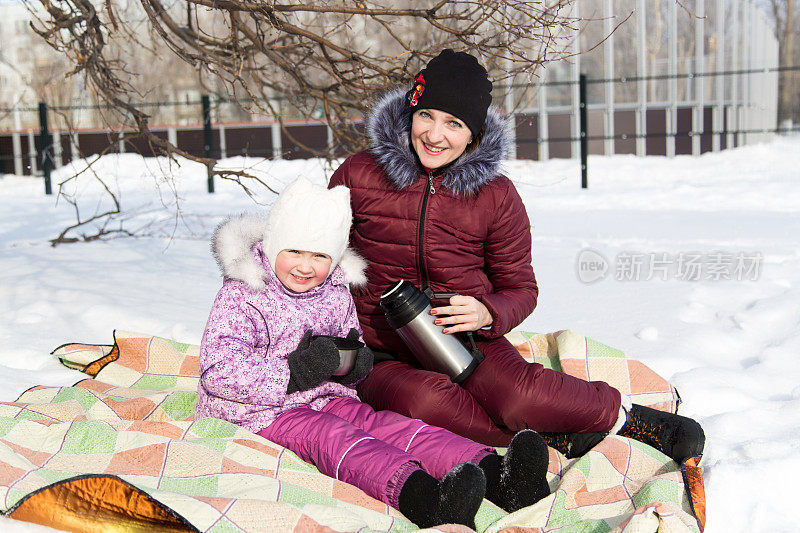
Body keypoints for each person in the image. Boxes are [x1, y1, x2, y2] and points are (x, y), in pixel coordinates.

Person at [328, 49, 705, 464]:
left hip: (468, 340)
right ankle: (552, 435)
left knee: (518, 395)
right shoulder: (358, 174)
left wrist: (487, 312)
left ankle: (625, 416)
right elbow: (318, 255)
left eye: (454, 123)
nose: (435, 135)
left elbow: (521, 288)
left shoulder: (496, 195)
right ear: (409, 113)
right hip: (381, 348)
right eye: (426, 116)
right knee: (424, 402)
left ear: (473, 135)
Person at [195, 177, 553, 529]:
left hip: (328, 398)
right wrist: (296, 371)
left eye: (319, 255)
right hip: (259, 413)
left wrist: (354, 363)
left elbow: (352, 341)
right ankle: (427, 499)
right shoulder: (242, 294)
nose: (305, 267)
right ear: (273, 246)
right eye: (295, 251)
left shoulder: (333, 290)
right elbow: (219, 371)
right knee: (340, 441)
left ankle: (502, 478)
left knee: (393, 427)